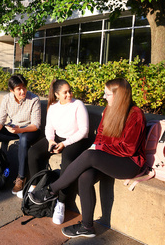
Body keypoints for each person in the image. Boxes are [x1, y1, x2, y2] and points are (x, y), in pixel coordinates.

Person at [29, 78, 147, 239]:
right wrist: (97, 146)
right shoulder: (109, 110)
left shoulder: (136, 115)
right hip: (108, 158)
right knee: (85, 176)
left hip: (128, 163)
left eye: (107, 94)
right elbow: (100, 136)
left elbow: (129, 149)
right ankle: (87, 226)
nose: (104, 97)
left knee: (90, 154)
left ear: (119, 96)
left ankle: (51, 190)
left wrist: (98, 148)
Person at [24, 79, 90, 225]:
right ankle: (36, 188)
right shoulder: (53, 107)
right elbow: (49, 127)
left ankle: (61, 202)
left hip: (76, 139)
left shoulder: (78, 105)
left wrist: (64, 144)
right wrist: (51, 141)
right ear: (57, 94)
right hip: (58, 138)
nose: (69, 94)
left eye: (70, 91)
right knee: (34, 152)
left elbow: (84, 131)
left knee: (67, 159)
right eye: (65, 92)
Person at [0, 74, 41, 196]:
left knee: (24, 140)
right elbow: (0, 120)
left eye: (24, 87)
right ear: (12, 90)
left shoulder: (34, 99)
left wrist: (20, 130)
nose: (22, 91)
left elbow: (36, 125)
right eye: (19, 89)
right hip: (12, 128)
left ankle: (21, 178)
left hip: (28, 130)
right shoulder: (7, 99)